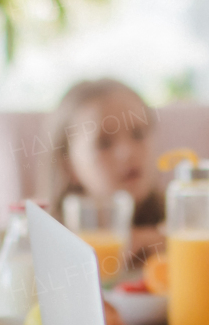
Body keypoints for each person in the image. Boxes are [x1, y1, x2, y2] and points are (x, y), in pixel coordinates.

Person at [47, 78, 165, 258]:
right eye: (103, 144)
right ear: (69, 166)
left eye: (138, 134)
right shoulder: (45, 245)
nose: (127, 153)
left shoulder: (181, 227)